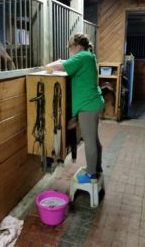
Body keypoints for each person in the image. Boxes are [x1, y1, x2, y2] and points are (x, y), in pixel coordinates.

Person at [46, 33, 104, 184]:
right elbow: (72, 63)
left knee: (89, 141)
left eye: (70, 47)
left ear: (78, 46)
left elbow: (56, 67)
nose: (69, 50)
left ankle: (91, 175)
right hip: (94, 103)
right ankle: (97, 167)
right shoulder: (88, 55)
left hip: (88, 106)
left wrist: (50, 65)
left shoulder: (82, 57)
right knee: (94, 139)